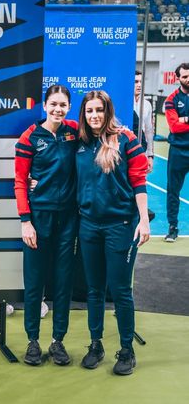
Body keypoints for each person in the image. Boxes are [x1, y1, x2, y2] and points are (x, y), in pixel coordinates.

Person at [76, 91, 150, 376]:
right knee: (94, 290)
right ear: (83, 114)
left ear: (108, 111)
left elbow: (139, 182)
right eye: (89, 111)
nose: (94, 115)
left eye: (99, 110)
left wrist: (144, 220)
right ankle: (96, 345)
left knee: (120, 291)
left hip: (120, 226)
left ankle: (127, 350)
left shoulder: (126, 140)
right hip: (89, 226)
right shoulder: (79, 142)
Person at [14, 85, 79, 366]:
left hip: (68, 219)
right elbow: (20, 182)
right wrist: (25, 221)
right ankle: (32, 341)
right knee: (34, 282)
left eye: (63, 105)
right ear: (44, 105)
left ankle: (57, 341)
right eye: (53, 104)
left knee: (63, 282)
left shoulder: (74, 131)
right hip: (38, 219)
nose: (58, 109)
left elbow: (104, 133)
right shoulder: (29, 137)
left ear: (69, 107)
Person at [164, 62, 189, 242]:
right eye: (185, 77)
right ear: (178, 78)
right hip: (178, 151)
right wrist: (181, 121)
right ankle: (172, 227)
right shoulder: (171, 99)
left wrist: (183, 119)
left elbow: (180, 123)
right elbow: (174, 127)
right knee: (173, 191)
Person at [133, 70, 154, 172]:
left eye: (141, 82)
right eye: (136, 82)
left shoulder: (147, 105)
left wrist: (150, 155)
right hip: (126, 151)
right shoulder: (122, 103)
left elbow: (149, 131)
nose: (139, 85)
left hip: (141, 151)